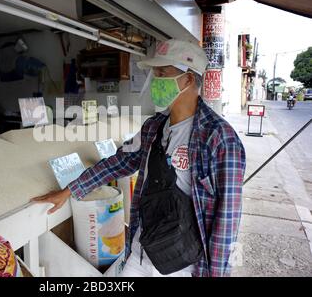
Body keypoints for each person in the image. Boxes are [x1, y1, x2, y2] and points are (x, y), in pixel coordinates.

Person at [32, 39, 246, 277]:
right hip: (141, 250)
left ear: (187, 79)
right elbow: (119, 162)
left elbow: (226, 219)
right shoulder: (153, 127)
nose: (155, 80)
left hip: (182, 263)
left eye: (162, 73)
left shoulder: (219, 138)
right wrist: (71, 190)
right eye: (155, 73)